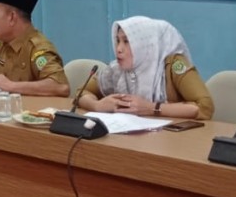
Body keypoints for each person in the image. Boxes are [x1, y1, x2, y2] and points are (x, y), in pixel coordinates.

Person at [75, 17, 213, 120]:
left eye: (126, 41)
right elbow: (81, 93)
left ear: (146, 45)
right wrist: (97, 105)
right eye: (117, 41)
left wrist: (152, 108)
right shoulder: (116, 69)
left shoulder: (173, 64)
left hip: (172, 142)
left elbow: (204, 107)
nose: (118, 49)